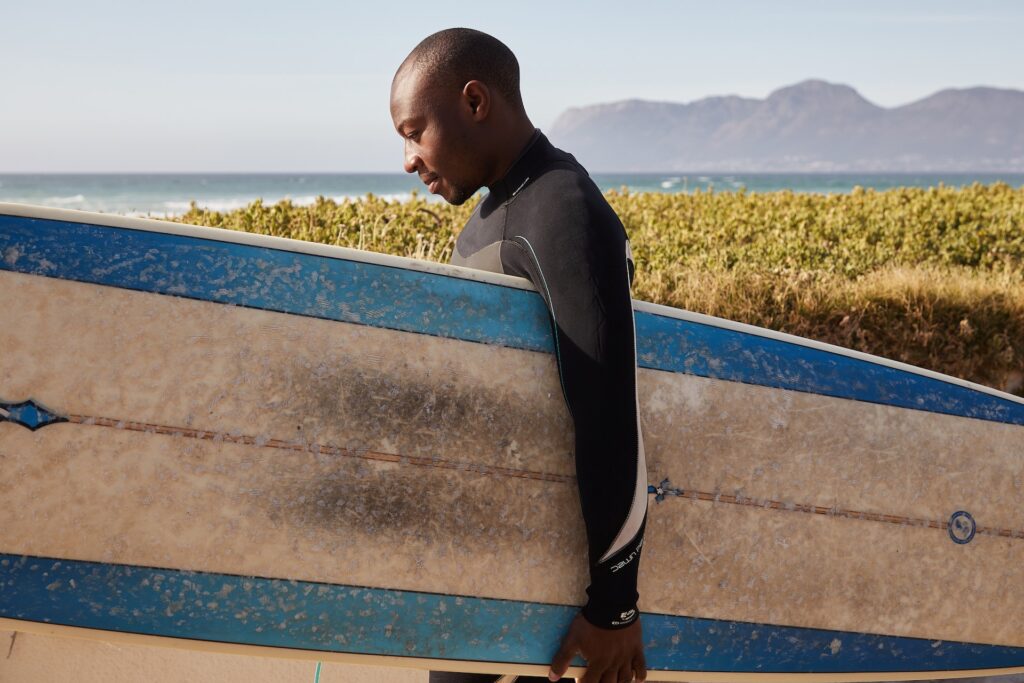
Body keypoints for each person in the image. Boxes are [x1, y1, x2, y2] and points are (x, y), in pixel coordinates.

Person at [389, 28, 649, 683]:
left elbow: (609, 411)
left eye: (414, 131)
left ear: (475, 101)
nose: (407, 158)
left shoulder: (561, 207)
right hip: (482, 557)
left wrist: (614, 604)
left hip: (552, 568)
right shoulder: (493, 215)